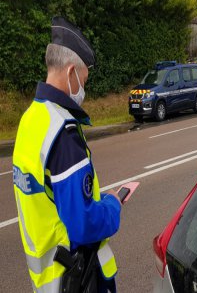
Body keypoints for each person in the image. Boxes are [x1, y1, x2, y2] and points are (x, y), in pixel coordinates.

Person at [13, 16, 121, 292]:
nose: (85, 87)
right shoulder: (63, 132)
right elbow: (83, 223)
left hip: (48, 279)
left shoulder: (31, 119)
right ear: (72, 71)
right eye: (84, 79)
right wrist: (113, 206)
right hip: (78, 276)